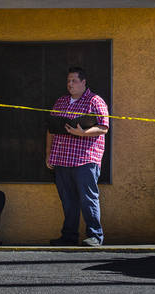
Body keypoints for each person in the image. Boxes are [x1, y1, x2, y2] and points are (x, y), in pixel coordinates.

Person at [46, 66, 110, 247]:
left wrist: (82, 133)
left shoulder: (95, 101)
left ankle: (95, 236)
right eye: (68, 81)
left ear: (83, 82)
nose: (70, 84)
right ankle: (69, 235)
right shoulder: (60, 102)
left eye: (74, 80)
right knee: (67, 199)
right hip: (62, 159)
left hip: (85, 159)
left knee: (88, 197)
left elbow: (104, 127)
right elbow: (51, 129)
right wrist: (48, 154)